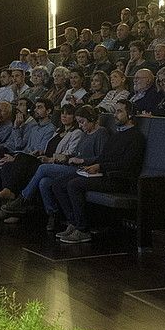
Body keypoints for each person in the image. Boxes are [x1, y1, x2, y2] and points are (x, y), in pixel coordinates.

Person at [50, 99, 146, 244]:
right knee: (58, 184)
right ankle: (74, 222)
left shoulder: (136, 137)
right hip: (103, 173)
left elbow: (127, 164)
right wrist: (92, 165)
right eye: (115, 111)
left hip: (117, 179)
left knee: (74, 185)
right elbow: (102, 157)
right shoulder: (117, 134)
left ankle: (83, 230)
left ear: (131, 114)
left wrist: (100, 167)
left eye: (119, 111)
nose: (115, 115)